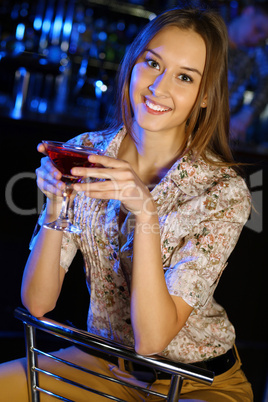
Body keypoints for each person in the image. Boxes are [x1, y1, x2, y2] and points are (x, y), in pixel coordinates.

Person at [0, 6, 253, 402]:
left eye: (185, 77)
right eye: (152, 63)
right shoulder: (85, 153)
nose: (159, 87)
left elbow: (152, 339)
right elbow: (38, 302)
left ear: (204, 97)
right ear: (133, 64)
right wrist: (56, 205)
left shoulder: (223, 191)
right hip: (105, 366)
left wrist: (146, 212)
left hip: (197, 382)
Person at [227, 1, 268, 143]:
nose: (257, 39)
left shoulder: (256, 51)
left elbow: (266, 82)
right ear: (248, 12)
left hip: (225, 130)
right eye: (257, 29)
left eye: (263, 38)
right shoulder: (210, 37)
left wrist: (247, 114)